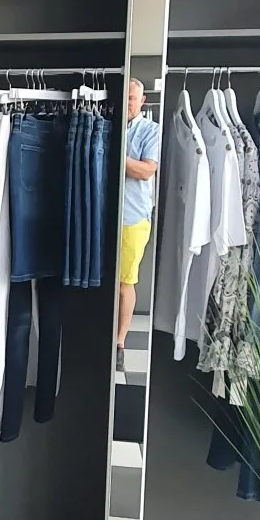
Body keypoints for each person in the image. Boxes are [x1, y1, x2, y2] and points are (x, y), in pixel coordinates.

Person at [117, 76, 161, 348]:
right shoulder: (107, 123)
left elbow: (146, 171)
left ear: (142, 101)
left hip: (133, 218)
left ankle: (119, 341)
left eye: (131, 99)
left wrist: (114, 156)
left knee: (125, 283)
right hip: (107, 217)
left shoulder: (151, 131)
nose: (126, 104)